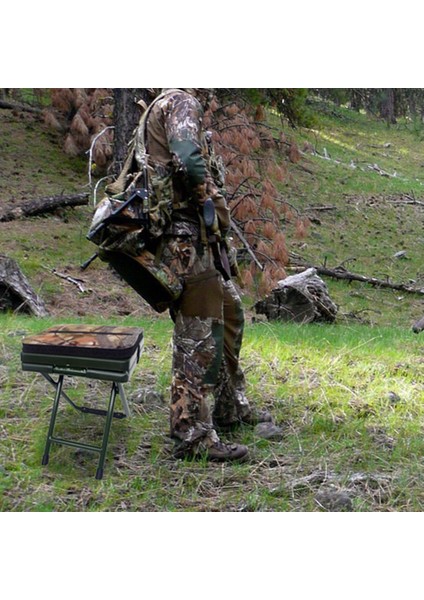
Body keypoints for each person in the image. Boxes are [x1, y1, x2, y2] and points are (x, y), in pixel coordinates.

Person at [134, 88, 273, 461]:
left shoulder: (158, 107)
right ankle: (192, 433)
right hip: (186, 240)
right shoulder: (181, 102)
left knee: (230, 310)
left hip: (189, 237)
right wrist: (210, 201)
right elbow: (189, 159)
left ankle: (230, 406)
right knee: (198, 336)